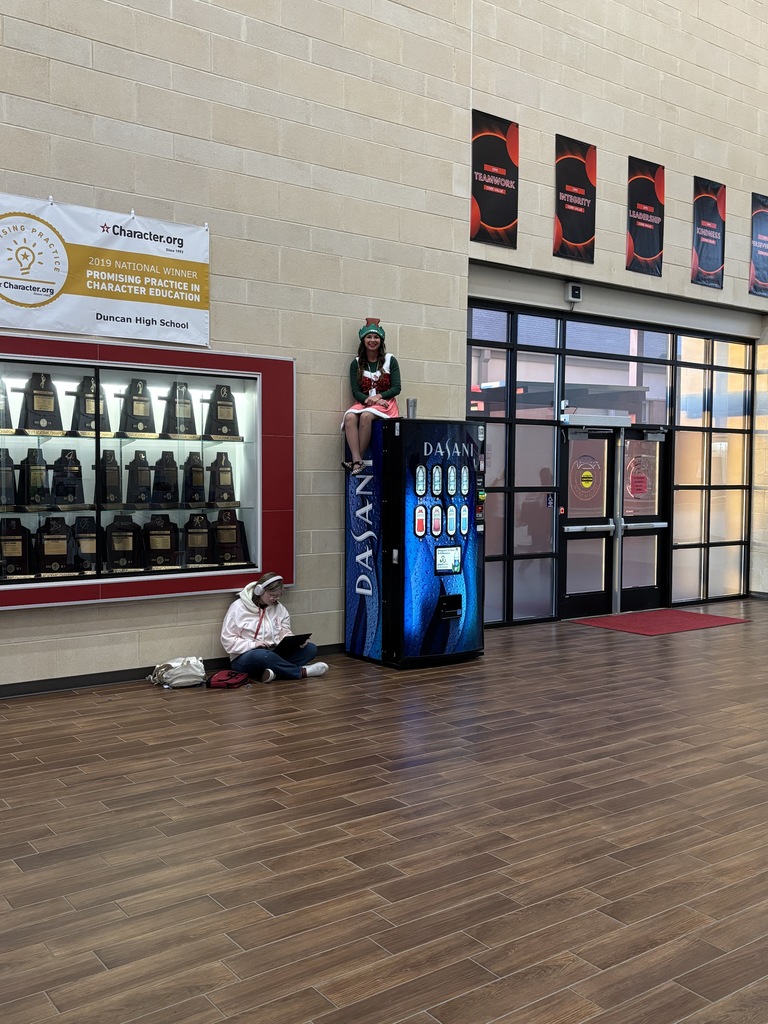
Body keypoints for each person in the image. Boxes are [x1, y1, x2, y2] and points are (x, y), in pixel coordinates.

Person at [220, 571, 329, 683]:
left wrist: (294, 641)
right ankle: (301, 672)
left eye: (278, 596)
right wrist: (253, 644)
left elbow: (284, 630)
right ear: (260, 591)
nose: (274, 599)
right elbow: (227, 640)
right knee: (263, 655)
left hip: (273, 652)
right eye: (271, 595)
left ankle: (273, 672)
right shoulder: (238, 608)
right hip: (245, 657)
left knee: (310, 649)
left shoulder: (279, 608)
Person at [341, 318, 401, 474]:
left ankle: (355, 462)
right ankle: (358, 460)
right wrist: (368, 399)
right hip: (364, 402)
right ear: (363, 340)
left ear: (381, 340)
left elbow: (396, 388)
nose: (372, 340)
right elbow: (355, 391)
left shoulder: (390, 360)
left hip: (385, 405)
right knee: (349, 417)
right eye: (369, 337)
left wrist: (379, 397)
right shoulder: (356, 363)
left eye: (376, 337)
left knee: (367, 417)